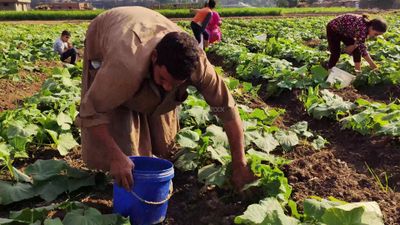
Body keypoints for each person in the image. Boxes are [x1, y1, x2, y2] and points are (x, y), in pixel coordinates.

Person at [76, 7, 254, 192]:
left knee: (163, 135)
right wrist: (115, 156)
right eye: (163, 79)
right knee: (121, 130)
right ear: (154, 58)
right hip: (109, 30)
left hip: (148, 24)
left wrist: (239, 162)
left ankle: (153, 146)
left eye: (175, 83)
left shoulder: (199, 66)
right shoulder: (124, 67)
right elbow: (91, 112)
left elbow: (227, 109)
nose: (168, 87)